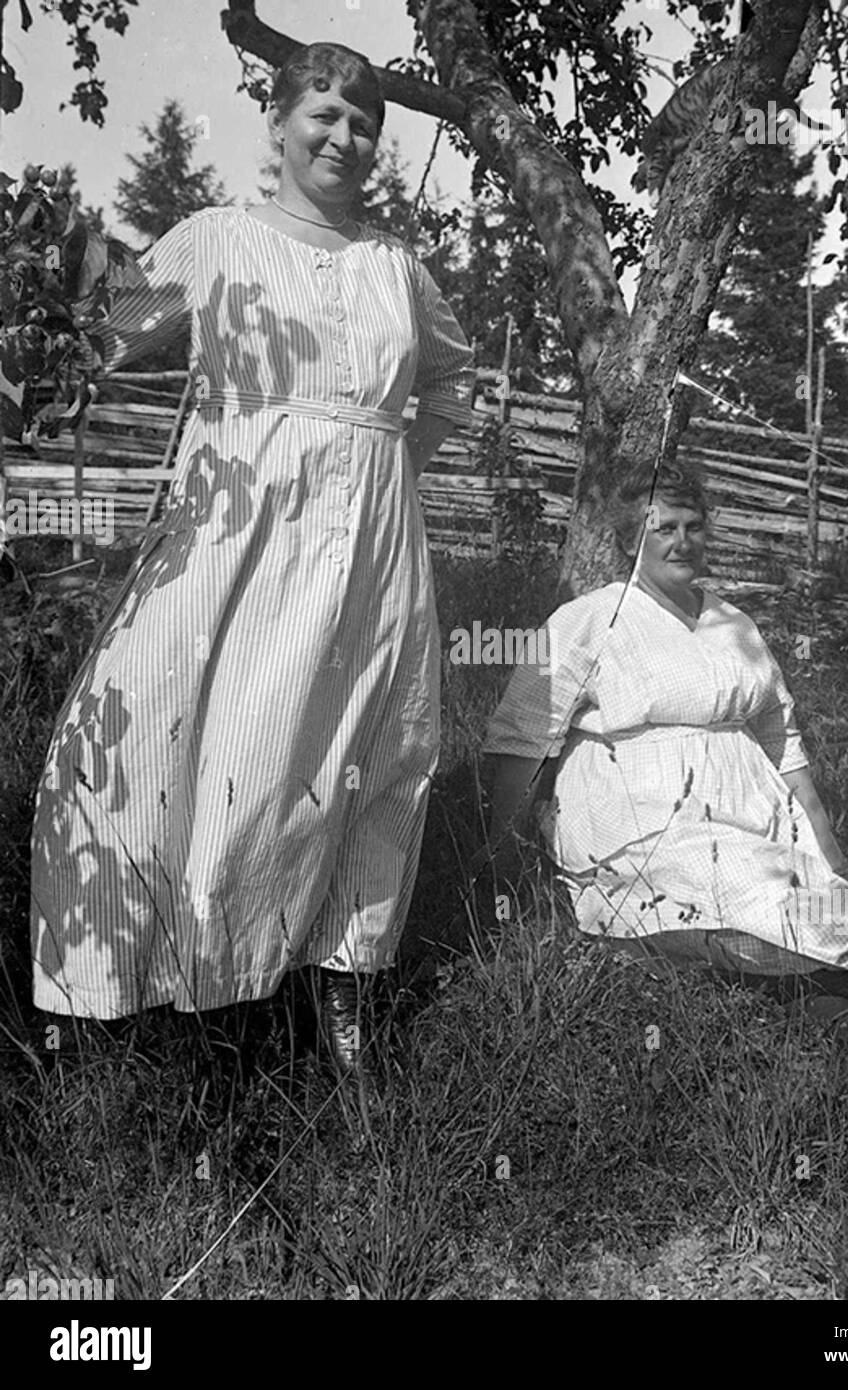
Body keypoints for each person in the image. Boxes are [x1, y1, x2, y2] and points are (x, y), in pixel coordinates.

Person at [30, 42, 475, 1078]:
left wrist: (379, 459)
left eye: (364, 121)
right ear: (276, 124)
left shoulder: (394, 272)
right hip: (229, 537)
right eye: (323, 113)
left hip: (367, 551)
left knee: (362, 755)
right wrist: (72, 315)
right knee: (166, 732)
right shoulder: (215, 240)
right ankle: (156, 1000)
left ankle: (339, 997)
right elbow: (102, 340)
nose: (345, 136)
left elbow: (452, 386)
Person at [480, 465, 848, 1079]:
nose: (682, 541)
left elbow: (783, 743)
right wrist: (497, 857)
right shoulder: (589, 621)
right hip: (639, 820)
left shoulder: (734, 625)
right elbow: (521, 738)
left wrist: (827, 849)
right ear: (630, 541)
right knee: (755, 897)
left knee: (834, 907)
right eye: (663, 528)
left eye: (693, 526)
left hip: (748, 814)